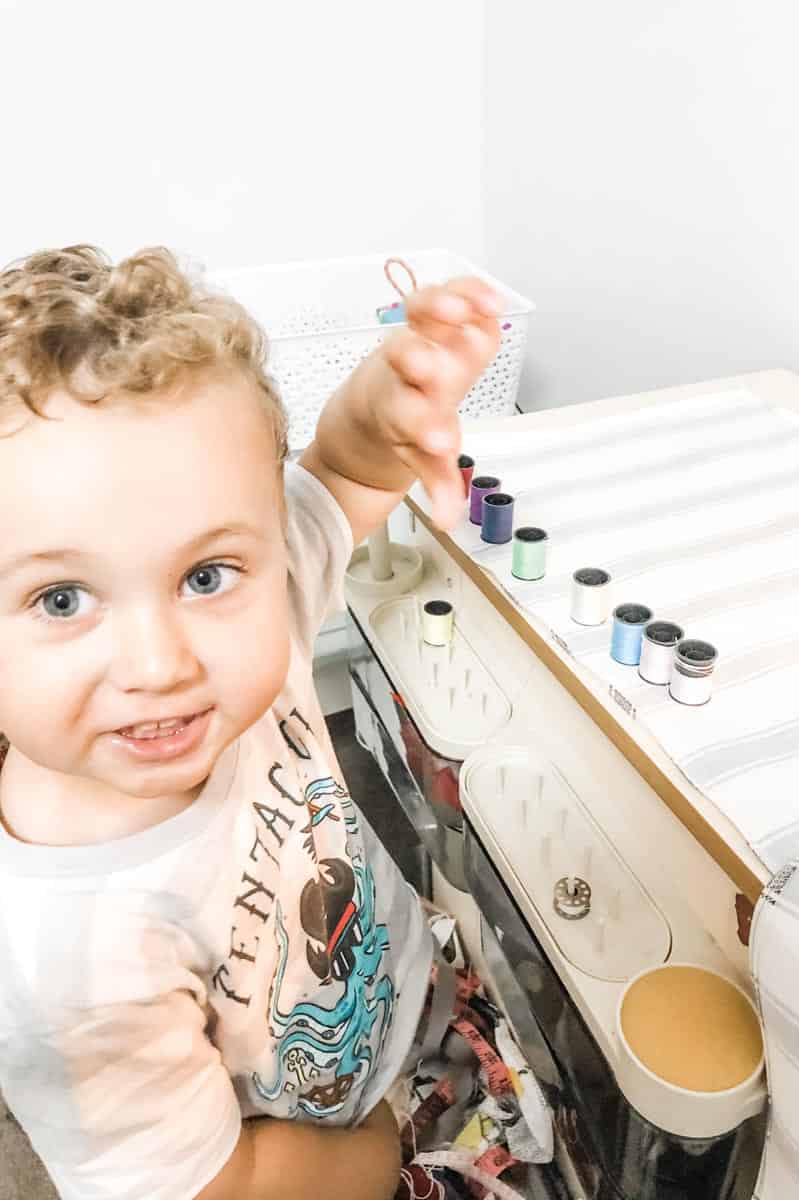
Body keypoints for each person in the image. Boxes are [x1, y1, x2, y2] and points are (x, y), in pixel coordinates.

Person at [0, 245, 500, 1200]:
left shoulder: (259, 613)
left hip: (402, 1005)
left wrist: (390, 406)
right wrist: (385, 1147)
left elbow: (345, 472)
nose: (162, 667)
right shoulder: (66, 971)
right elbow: (223, 1187)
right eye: (62, 599)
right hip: (326, 1148)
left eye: (204, 575)